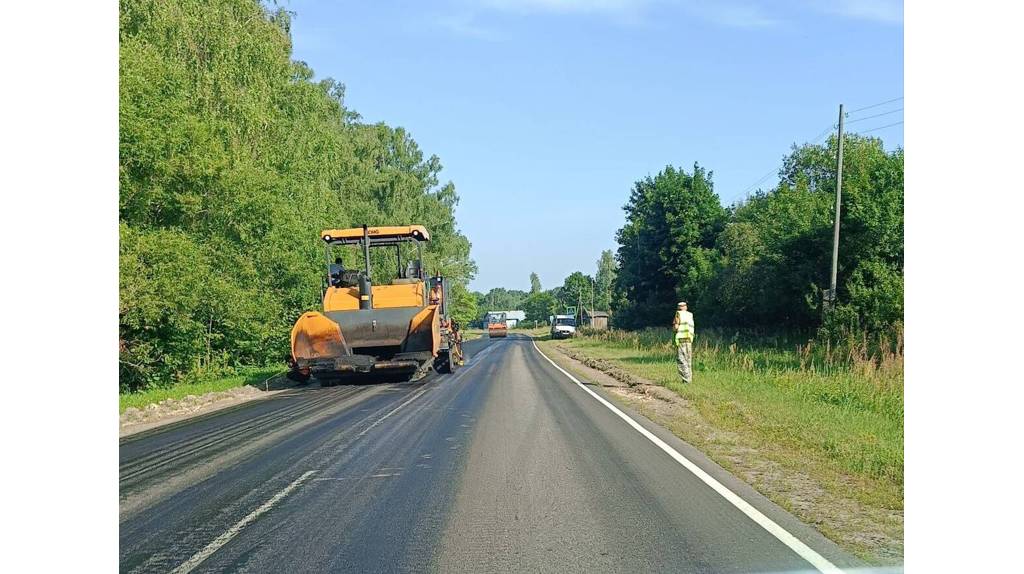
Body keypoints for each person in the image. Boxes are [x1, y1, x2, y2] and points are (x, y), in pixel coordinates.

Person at [672, 301, 695, 383]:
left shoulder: (678, 314)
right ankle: (689, 379)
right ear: (686, 307)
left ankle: (686, 380)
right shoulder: (690, 315)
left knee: (681, 359)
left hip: (681, 339)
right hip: (689, 339)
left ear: (678, 308)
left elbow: (676, 327)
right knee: (688, 360)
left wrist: (674, 327)